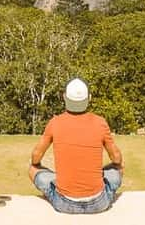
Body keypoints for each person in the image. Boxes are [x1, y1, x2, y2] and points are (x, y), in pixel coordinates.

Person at [28, 78, 124, 214]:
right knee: (117, 169)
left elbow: (35, 157)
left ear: (64, 97)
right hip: (99, 203)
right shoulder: (100, 122)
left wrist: (43, 169)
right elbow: (117, 159)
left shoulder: (55, 123)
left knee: (32, 169)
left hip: (64, 203)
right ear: (89, 98)